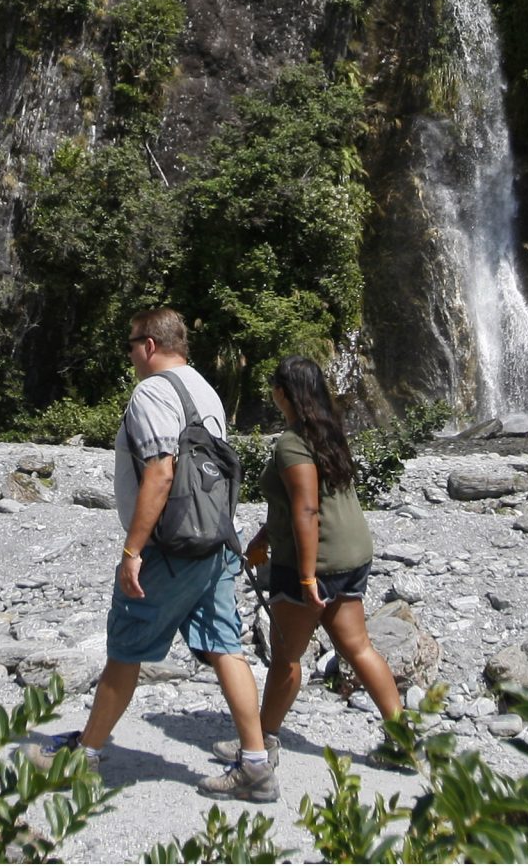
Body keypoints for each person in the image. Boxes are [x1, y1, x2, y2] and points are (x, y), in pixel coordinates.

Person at [24, 308, 275, 801]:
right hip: (217, 540)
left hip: (170, 547)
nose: (129, 356)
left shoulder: (151, 392)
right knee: (225, 645)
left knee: (126, 648)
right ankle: (255, 762)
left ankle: (86, 753)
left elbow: (162, 470)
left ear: (150, 345)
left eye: (130, 345)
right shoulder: (206, 390)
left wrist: (133, 550)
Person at [226, 355, 402, 766]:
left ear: (282, 392)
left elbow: (306, 510)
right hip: (351, 552)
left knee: (286, 657)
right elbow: (302, 503)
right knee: (358, 648)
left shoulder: (291, 443)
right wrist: (264, 537)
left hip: (315, 563)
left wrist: (305, 578)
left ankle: (261, 742)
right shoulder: (328, 432)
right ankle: (403, 739)